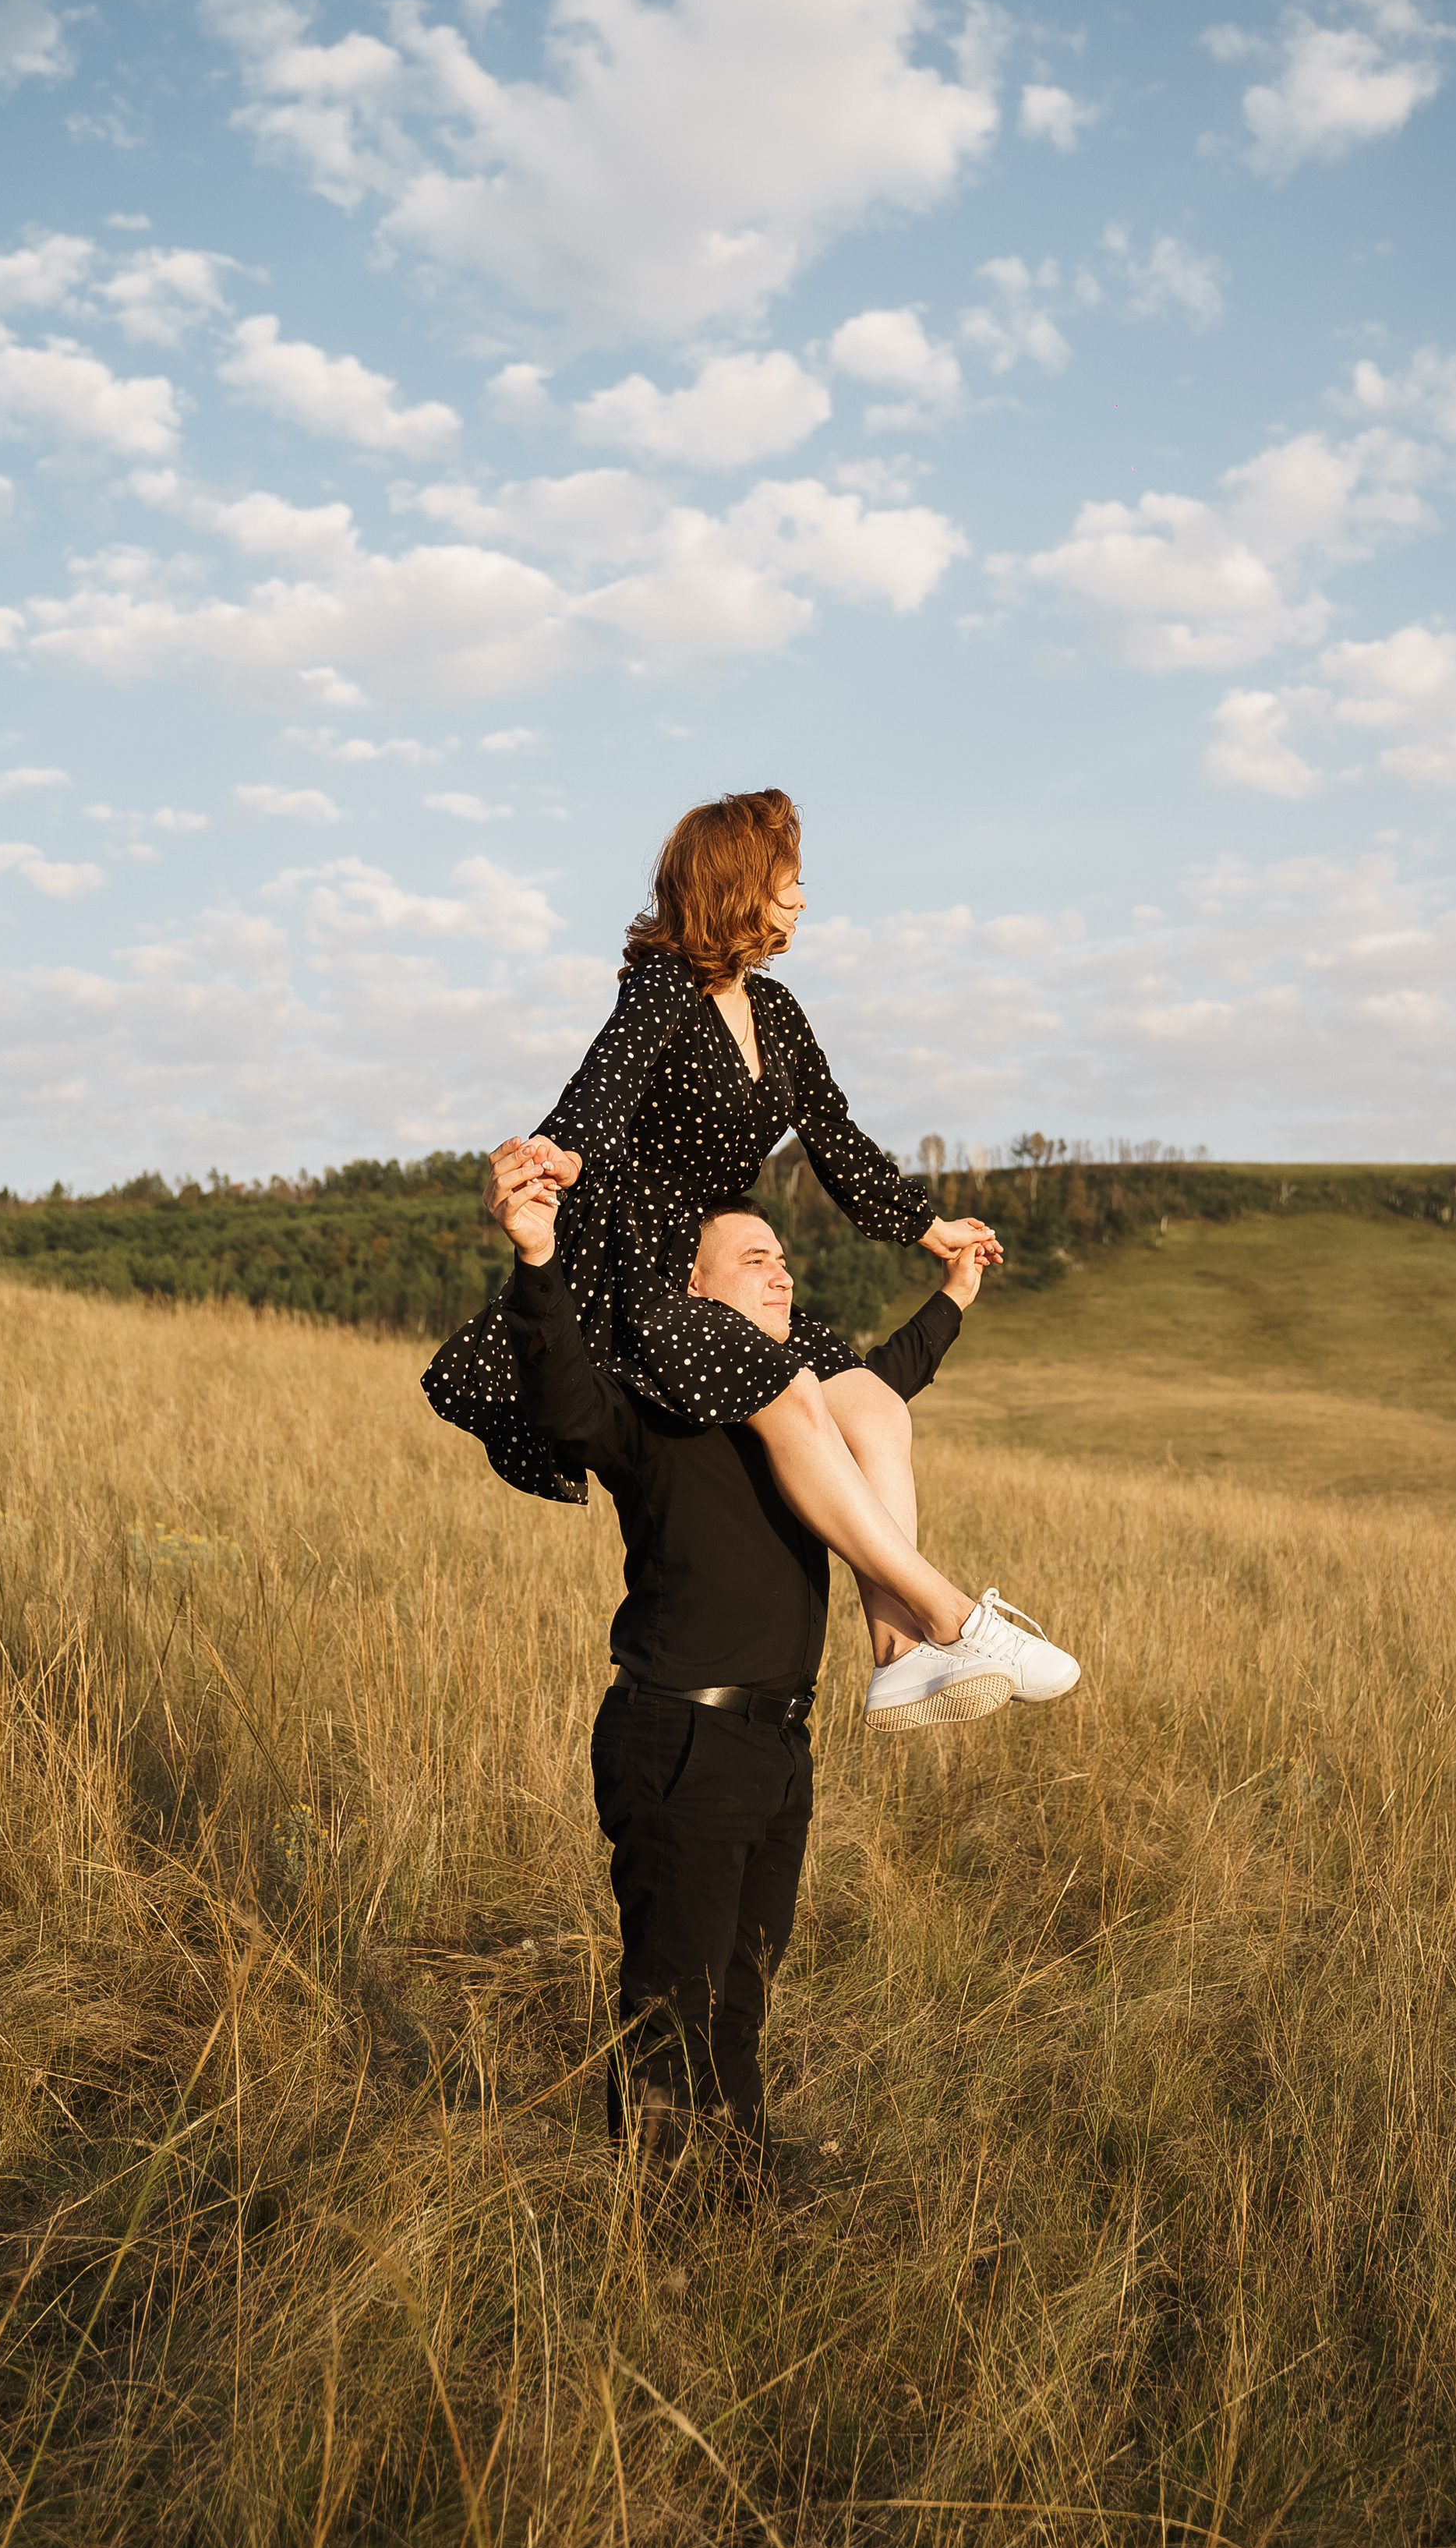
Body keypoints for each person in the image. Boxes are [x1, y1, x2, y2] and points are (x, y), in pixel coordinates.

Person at [426, 786, 1080, 1730]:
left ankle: (894, 1652)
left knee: (873, 1405)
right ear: (739, 886)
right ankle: (950, 1614)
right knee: (794, 1396)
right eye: (791, 882)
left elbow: (835, 1138)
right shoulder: (659, 988)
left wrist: (928, 1228)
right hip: (649, 1275)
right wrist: (560, 1153)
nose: (804, 902)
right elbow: (601, 1085)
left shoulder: (774, 1008)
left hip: (723, 1256)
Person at [486, 1143, 1078, 2173]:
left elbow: (885, 1385)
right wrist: (538, 1259)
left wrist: (958, 1292)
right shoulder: (651, 1409)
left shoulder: (797, 1422)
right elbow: (567, 1403)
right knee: (673, 2006)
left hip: (775, 1746)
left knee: (742, 1996)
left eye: (784, 1260)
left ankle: (742, 2193)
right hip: (681, 1735)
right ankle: (658, 2241)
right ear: (688, 1285)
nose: (781, 1271)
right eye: (754, 1256)